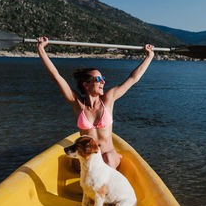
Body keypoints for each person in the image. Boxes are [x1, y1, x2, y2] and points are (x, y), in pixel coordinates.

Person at [37, 37, 154, 168]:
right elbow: (56, 76)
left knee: (109, 159)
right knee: (86, 164)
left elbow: (133, 78)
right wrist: (41, 49)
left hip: (107, 154)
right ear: (86, 85)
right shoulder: (78, 104)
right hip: (88, 156)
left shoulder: (109, 99)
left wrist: (149, 56)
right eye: (98, 79)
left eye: (103, 78)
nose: (103, 81)